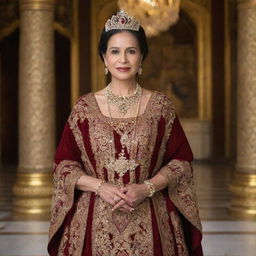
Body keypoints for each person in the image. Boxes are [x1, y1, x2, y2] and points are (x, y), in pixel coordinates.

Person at [48, 10, 203, 256]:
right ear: (104, 58)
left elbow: (181, 162)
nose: (123, 59)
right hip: (92, 222)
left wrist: (147, 188)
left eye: (131, 51)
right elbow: (64, 166)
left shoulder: (161, 107)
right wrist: (100, 187)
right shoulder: (84, 108)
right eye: (115, 51)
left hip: (152, 219)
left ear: (141, 58)